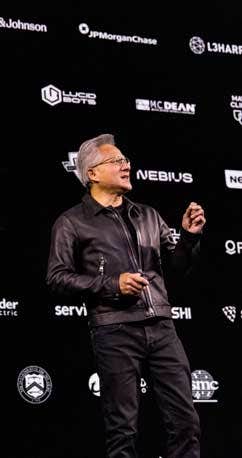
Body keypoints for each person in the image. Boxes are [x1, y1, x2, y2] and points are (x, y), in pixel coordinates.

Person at [46, 134, 205, 458]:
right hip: (114, 330)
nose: (126, 165)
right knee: (123, 431)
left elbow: (178, 267)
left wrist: (189, 238)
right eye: (116, 160)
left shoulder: (148, 215)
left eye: (126, 159)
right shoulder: (71, 222)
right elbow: (57, 277)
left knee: (185, 423)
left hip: (162, 327)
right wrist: (111, 284)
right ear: (92, 173)